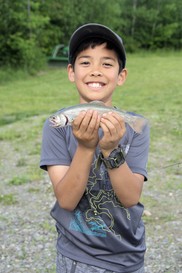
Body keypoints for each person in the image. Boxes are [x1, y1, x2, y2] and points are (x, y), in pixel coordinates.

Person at [40, 23, 150, 273]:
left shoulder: (134, 127)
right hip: (77, 256)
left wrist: (112, 150)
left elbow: (131, 197)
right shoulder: (55, 126)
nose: (96, 71)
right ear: (71, 71)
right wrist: (86, 147)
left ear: (121, 76)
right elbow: (66, 200)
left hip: (128, 255)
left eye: (107, 64)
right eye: (86, 62)